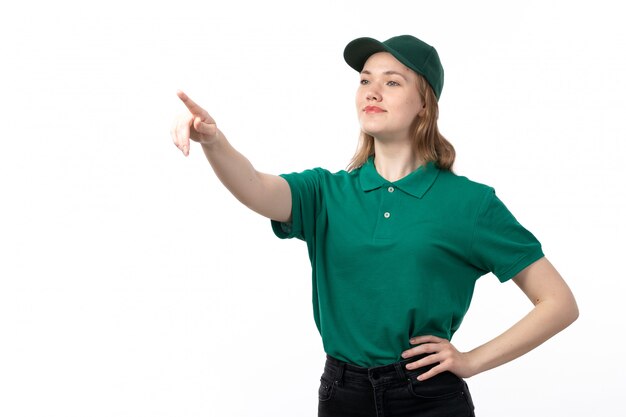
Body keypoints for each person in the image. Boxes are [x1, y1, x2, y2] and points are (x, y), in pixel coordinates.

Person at [170, 35, 579, 417]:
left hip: (429, 397)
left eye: (392, 82)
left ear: (425, 103)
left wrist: (470, 360)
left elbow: (558, 303)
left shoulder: (470, 204)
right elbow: (256, 187)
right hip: (341, 393)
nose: (372, 90)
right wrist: (214, 141)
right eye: (365, 80)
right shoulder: (325, 192)